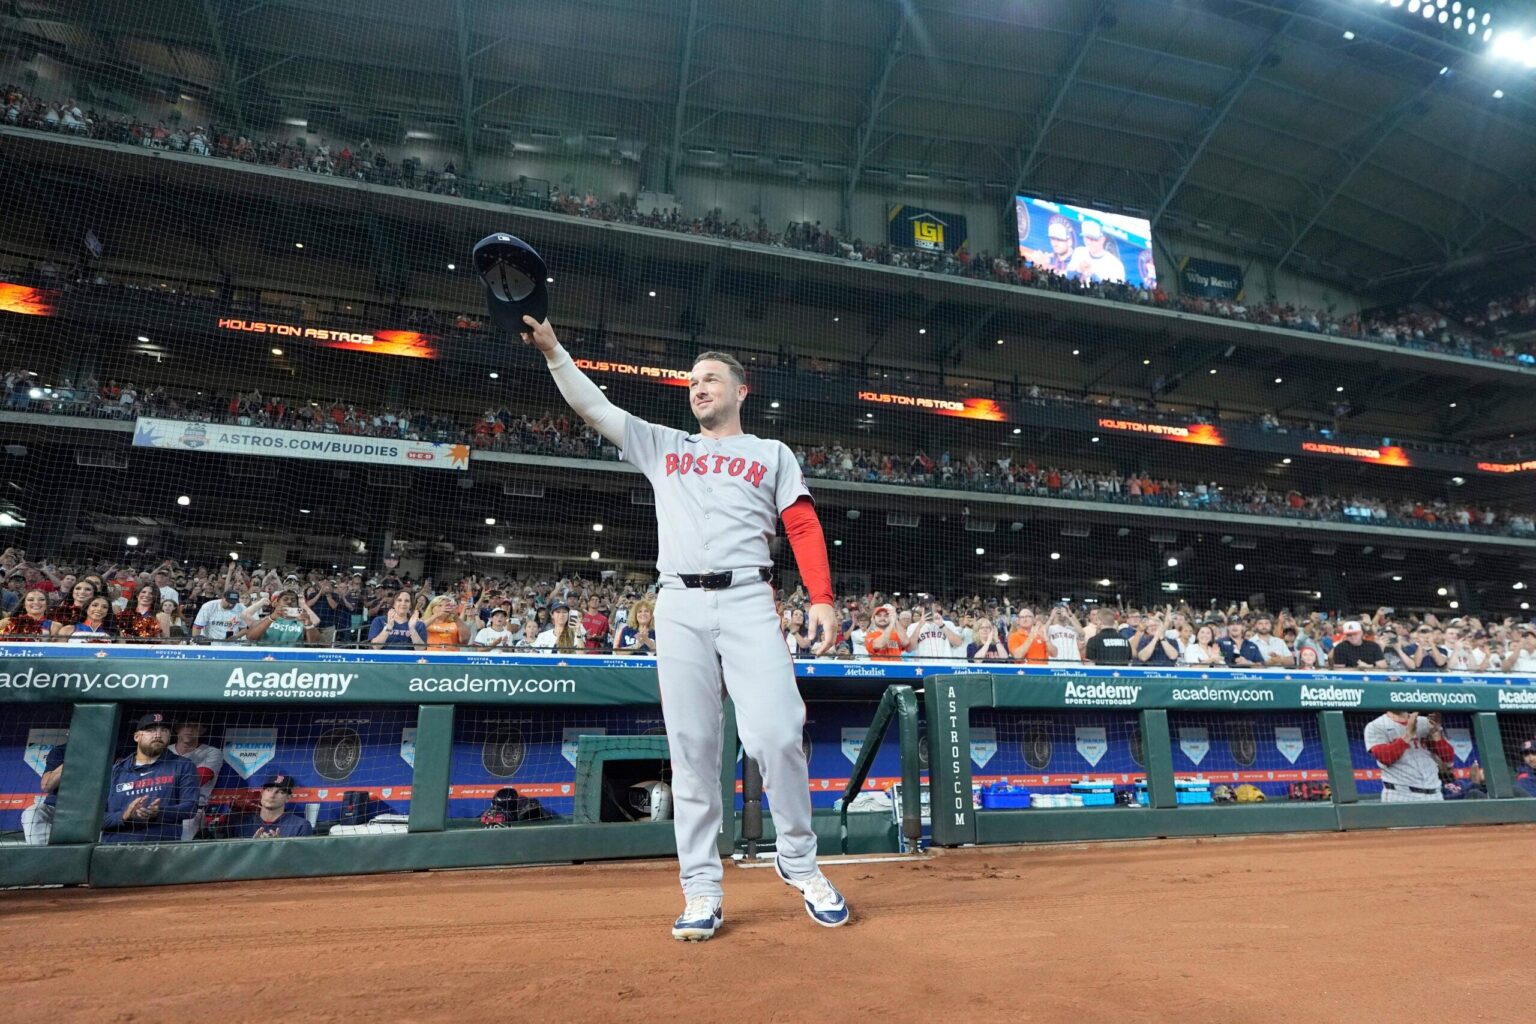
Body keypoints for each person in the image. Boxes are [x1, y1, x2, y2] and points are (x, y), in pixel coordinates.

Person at [523, 314, 847, 939]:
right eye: (693, 381)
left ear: (740, 390)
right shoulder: (665, 444)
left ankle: (800, 862)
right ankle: (701, 889)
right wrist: (556, 351)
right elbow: (597, 409)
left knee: (779, 734)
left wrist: (823, 598)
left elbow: (803, 526)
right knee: (693, 751)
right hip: (678, 606)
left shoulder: (770, 453)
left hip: (752, 599)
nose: (698, 388)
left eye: (711, 379)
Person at [100, 712, 201, 843]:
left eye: (164, 730)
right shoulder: (114, 771)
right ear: (137, 736)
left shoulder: (183, 765)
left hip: (162, 849)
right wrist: (124, 815)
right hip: (116, 849)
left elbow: (190, 807)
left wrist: (158, 812)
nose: (158, 735)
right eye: (150, 730)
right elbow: (95, 819)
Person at [1363, 710, 1454, 803]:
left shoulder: (1425, 722)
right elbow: (1385, 758)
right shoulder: (1375, 725)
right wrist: (1408, 734)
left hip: (1434, 793)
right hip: (1400, 793)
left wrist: (1436, 734)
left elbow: (1448, 757)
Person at [169, 721, 223, 841]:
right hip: (162, 807)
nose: (189, 729)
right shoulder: (165, 751)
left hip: (191, 811)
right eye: (185, 725)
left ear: (202, 730)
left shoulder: (212, 752)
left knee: (182, 849)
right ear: (177, 728)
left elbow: (197, 780)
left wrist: (164, 781)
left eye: (195, 726)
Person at [231, 774, 314, 838]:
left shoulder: (300, 826)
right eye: (268, 790)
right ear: (262, 793)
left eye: (280, 791)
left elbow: (302, 858)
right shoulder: (242, 823)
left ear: (288, 798)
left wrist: (278, 848)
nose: (272, 795)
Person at [21, 741, 64, 845]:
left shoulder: (106, 751)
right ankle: (46, 858)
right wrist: (75, 756)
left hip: (93, 810)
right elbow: (46, 785)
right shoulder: (61, 751)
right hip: (59, 810)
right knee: (33, 812)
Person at [244, 590, 320, 645]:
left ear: (297, 606)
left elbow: (314, 644)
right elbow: (250, 638)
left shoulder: (303, 623)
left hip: (292, 661)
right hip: (266, 659)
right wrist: (271, 618)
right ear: (276, 604)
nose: (289, 602)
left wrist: (309, 623)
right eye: (285, 599)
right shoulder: (265, 620)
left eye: (293, 600)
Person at [0, 588, 65, 639]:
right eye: (30, 600)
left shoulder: (55, 626)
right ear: (24, 605)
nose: (36, 602)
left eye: (41, 599)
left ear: (47, 604)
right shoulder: (8, 622)